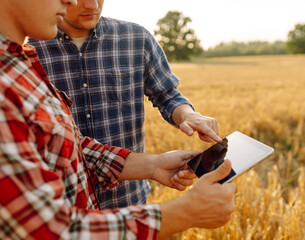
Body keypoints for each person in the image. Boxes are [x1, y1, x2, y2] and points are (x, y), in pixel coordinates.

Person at [0, 0, 236, 238]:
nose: (83, 2)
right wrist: (186, 213)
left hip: (127, 201)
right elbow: (46, 229)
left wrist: (153, 165)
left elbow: (73, 145)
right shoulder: (21, 61)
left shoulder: (23, 59)